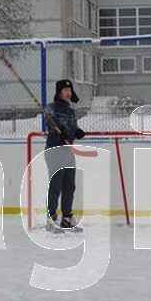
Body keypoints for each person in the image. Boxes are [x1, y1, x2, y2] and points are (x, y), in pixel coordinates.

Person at [44, 78, 86, 231]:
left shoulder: (70, 111)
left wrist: (77, 131)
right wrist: (57, 133)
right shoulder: (51, 108)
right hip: (54, 150)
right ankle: (51, 218)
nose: (68, 93)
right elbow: (48, 122)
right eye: (65, 90)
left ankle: (67, 218)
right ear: (59, 92)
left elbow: (72, 127)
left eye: (69, 90)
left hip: (68, 151)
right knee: (55, 184)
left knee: (69, 185)